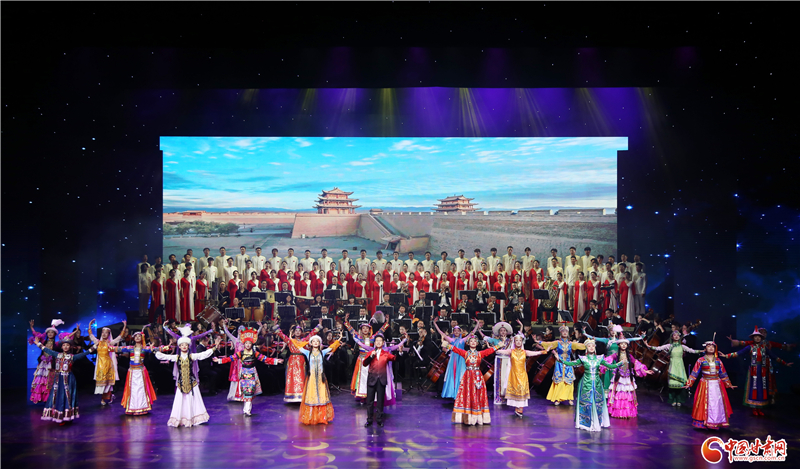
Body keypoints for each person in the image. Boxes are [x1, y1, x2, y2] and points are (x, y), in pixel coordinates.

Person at [720, 326, 793, 416]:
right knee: (754, 388)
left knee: (762, 388)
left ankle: (760, 408)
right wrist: (726, 356)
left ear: (761, 338)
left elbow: (774, 356)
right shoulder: (750, 347)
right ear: (753, 338)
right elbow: (739, 353)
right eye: (756, 337)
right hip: (754, 370)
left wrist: (785, 363)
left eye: (759, 337)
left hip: (763, 371)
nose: (757, 338)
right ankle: (754, 408)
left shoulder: (764, 348)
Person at [553, 338, 622, 432]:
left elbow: (611, 366)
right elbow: (571, 363)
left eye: (593, 346)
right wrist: (560, 359)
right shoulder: (583, 358)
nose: (591, 347)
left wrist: (620, 363)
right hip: (586, 383)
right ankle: (586, 423)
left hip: (597, 383)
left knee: (597, 402)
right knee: (586, 403)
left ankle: (596, 422)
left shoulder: (599, 358)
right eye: (589, 346)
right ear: (586, 348)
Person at [155, 331, 222, 427]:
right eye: (182, 345)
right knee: (181, 401)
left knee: (193, 399)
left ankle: (193, 418)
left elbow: (203, 355)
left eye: (185, 345)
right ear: (179, 346)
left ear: (188, 346)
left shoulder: (191, 356)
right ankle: (182, 418)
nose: (184, 347)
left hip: (191, 382)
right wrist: (155, 351)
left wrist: (214, 347)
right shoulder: (177, 357)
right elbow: (165, 356)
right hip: (181, 383)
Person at [213, 327, 283, 416]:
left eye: (249, 343)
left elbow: (265, 359)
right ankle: (246, 410)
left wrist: (276, 361)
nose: (248, 345)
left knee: (250, 392)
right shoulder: (241, 353)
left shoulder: (254, 353)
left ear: (251, 344)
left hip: (252, 373)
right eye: (246, 343)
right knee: (246, 392)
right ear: (244, 344)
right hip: (243, 373)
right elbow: (230, 358)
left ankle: (247, 410)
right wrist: (219, 360)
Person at [34, 337, 96, 424]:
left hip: (69, 380)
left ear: (70, 347)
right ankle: (59, 415)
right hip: (58, 379)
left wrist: (95, 346)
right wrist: (38, 344)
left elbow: (85, 353)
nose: (66, 346)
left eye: (67, 345)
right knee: (58, 396)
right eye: (64, 345)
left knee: (67, 396)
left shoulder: (72, 357)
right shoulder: (57, 355)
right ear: (61, 347)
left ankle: (67, 416)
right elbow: (47, 350)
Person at [445, 336, 500, 426]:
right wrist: (447, 345)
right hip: (468, 377)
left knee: (477, 395)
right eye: (471, 341)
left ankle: (477, 417)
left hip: (477, 377)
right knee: (467, 394)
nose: (473, 342)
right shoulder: (465, 353)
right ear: (468, 343)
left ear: (477, 343)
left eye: (475, 341)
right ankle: (468, 417)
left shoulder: (480, 353)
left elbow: (489, 351)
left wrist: (498, 346)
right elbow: (456, 350)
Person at [684, 338, 736, 429]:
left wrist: (728, 384)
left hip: (716, 384)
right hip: (705, 383)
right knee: (705, 403)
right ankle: (704, 422)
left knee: (716, 403)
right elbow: (695, 372)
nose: (711, 348)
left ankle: (715, 422)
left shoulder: (718, 361)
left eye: (713, 346)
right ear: (705, 348)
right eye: (709, 346)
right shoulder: (701, 360)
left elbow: (723, 373)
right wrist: (689, 383)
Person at [495, 333, 546, 417]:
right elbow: (498, 351)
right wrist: (496, 347)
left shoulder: (524, 352)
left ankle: (520, 407)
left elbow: (535, 353)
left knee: (521, 390)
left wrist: (544, 351)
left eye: (520, 340)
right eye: (517, 341)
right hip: (514, 374)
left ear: (522, 342)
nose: (518, 342)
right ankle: (517, 407)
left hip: (522, 374)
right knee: (515, 390)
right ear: (514, 342)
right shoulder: (511, 351)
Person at [110, 331, 160, 415]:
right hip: (132, 372)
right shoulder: (130, 348)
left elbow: (158, 349)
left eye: (139, 336)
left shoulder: (145, 348)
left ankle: (142, 407)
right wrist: (106, 346)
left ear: (142, 338)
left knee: (141, 390)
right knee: (132, 390)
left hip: (141, 371)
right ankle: (132, 408)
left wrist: (169, 346)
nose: (137, 337)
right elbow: (117, 349)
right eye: (135, 336)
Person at [272, 321, 324, 402]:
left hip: (300, 360)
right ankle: (291, 396)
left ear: (301, 332)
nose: (297, 332)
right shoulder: (290, 340)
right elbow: (281, 335)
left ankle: (301, 396)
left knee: (301, 377)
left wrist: (319, 325)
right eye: (296, 331)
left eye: (299, 331)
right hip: (292, 361)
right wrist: (276, 326)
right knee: (291, 378)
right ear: (293, 332)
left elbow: (312, 334)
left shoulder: (304, 340)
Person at [28, 319, 77, 404]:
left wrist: (75, 331)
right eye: (49, 332)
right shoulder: (44, 342)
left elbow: (65, 338)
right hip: (43, 364)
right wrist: (32, 327)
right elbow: (36, 335)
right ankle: (42, 397)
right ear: (46, 334)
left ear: (55, 334)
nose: (50, 334)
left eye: (52, 332)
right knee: (41, 380)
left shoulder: (56, 344)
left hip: (51, 364)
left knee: (50, 381)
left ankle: (49, 398)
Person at [603, 339, 654, 418]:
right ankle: (618, 412)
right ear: (619, 345)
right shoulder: (616, 355)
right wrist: (601, 365)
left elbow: (637, 363)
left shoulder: (629, 356)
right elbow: (607, 360)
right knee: (619, 394)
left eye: (625, 344)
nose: (623, 345)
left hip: (627, 377)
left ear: (627, 346)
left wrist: (645, 371)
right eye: (622, 344)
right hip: (619, 377)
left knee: (627, 394)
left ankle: (626, 412)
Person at [298, 333, 341, 425]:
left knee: (322, 396)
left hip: (321, 378)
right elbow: (299, 347)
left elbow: (332, 347)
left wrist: (339, 339)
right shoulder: (308, 353)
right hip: (312, 378)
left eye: (317, 341)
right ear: (311, 343)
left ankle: (322, 417)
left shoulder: (322, 352)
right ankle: (311, 417)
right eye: (313, 341)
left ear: (320, 343)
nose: (315, 342)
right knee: (312, 395)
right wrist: (305, 342)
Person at [538, 325, 587, 405]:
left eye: (566, 331)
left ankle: (569, 398)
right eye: (563, 331)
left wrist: (589, 344)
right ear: (560, 333)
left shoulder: (571, 343)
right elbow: (549, 344)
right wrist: (540, 342)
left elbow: (580, 346)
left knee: (569, 379)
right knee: (559, 379)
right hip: (559, 363)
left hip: (568, 363)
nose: (565, 332)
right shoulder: (557, 343)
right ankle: (558, 398)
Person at [345, 316, 390, 400]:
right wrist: (346, 321)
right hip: (362, 360)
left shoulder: (373, 338)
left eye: (367, 328)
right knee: (362, 378)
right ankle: (362, 395)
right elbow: (351, 330)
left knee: (372, 377)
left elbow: (381, 331)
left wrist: (386, 323)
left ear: (369, 330)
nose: (365, 330)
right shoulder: (358, 337)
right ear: (361, 330)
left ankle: (372, 395)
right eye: (363, 328)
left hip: (371, 359)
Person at [88, 319, 127, 405]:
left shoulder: (110, 343)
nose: (104, 334)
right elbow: (91, 336)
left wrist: (124, 327)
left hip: (108, 364)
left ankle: (106, 397)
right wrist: (90, 325)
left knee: (108, 383)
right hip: (100, 364)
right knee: (102, 383)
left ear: (109, 334)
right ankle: (104, 397)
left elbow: (119, 337)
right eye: (103, 332)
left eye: (106, 333)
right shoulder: (97, 342)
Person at [436, 322, 479, 399]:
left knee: (461, 375)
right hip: (453, 359)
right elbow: (441, 333)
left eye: (458, 331)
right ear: (453, 332)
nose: (456, 332)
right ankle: (452, 393)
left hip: (461, 359)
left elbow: (472, 333)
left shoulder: (463, 340)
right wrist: (435, 323)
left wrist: (477, 323)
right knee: (453, 374)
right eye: (455, 331)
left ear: (460, 332)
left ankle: (460, 393)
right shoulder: (451, 340)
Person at [362, 334, 396, 427]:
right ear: (374, 342)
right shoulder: (370, 352)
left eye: (380, 341)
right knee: (369, 401)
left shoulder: (386, 353)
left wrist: (400, 352)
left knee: (380, 401)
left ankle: (379, 419)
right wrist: (370, 356)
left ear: (383, 342)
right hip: (371, 379)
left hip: (381, 380)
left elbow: (394, 358)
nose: (378, 342)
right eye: (377, 341)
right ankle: (369, 419)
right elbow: (364, 363)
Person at [479, 322, 513, 405]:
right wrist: (479, 329)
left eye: (504, 330)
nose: (503, 332)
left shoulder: (511, 340)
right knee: (499, 379)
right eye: (501, 330)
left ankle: (508, 397)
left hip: (508, 360)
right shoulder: (495, 341)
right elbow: (485, 337)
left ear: (507, 332)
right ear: (499, 332)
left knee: (508, 378)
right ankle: (499, 397)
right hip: (499, 360)